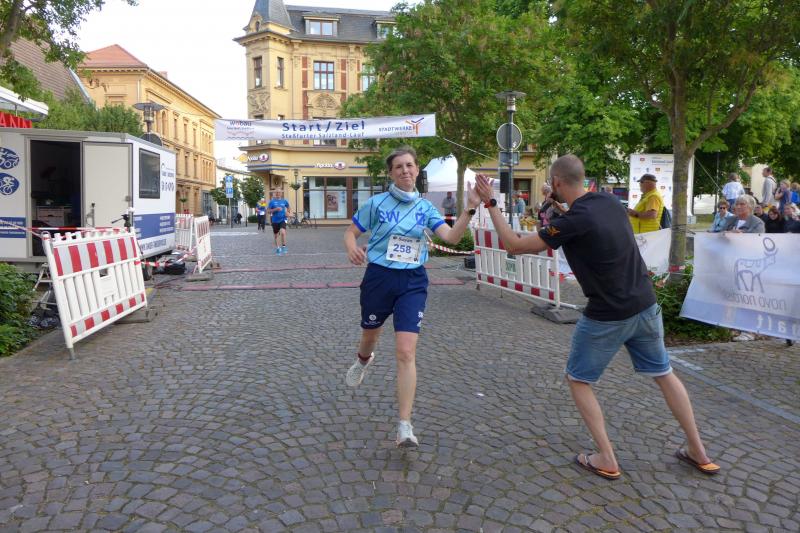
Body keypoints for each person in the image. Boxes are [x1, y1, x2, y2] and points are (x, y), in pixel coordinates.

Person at [474, 154, 719, 480]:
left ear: (556, 182)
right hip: (645, 304)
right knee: (664, 373)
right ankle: (698, 450)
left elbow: (514, 245)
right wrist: (560, 211)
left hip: (607, 314)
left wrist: (491, 203)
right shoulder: (609, 202)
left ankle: (606, 457)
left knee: (578, 380)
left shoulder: (571, 222)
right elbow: (587, 223)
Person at [343, 146, 481, 449]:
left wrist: (469, 208)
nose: (405, 170)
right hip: (379, 278)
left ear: (417, 170)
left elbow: (451, 237)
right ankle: (363, 360)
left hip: (412, 281)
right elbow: (351, 232)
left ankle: (404, 425)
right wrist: (352, 247)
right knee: (370, 335)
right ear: (391, 173)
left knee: (406, 352)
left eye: (409, 165)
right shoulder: (376, 204)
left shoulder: (426, 208)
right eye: (398, 167)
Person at [268, 191, 291, 255]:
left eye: (279, 192)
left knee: (283, 232)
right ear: (275, 194)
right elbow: (268, 211)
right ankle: (278, 248)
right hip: (275, 221)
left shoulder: (284, 201)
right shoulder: (272, 202)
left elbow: (288, 207)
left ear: (281, 194)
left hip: (282, 219)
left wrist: (288, 212)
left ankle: (284, 246)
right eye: (277, 192)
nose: (278, 193)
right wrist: (275, 209)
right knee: (276, 235)